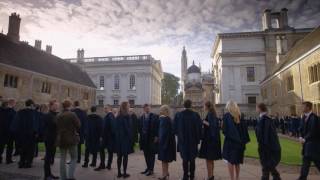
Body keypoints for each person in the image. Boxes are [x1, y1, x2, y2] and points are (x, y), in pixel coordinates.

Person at [174, 99, 202, 180]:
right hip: (193, 141)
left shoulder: (178, 115)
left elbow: (175, 128)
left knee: (185, 159)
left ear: (184, 105)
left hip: (183, 141)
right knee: (192, 159)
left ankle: (185, 176)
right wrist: (198, 138)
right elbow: (199, 128)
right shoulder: (196, 115)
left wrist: (179, 135)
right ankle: (192, 176)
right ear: (191, 105)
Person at [222, 100, 250, 180]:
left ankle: (232, 178)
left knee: (230, 162)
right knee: (237, 162)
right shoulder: (240, 116)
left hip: (230, 143)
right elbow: (245, 130)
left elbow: (224, 130)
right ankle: (237, 178)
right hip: (240, 143)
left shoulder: (227, 116)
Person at [255, 103, 281, 180]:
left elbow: (265, 135)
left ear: (259, 109)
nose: (256, 109)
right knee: (268, 166)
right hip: (267, 147)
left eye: (256, 107)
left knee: (266, 167)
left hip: (267, 147)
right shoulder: (264, 118)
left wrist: (264, 147)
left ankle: (275, 177)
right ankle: (277, 177)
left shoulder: (265, 119)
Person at [56, 100, 81, 180]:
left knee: (62, 158)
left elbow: (56, 125)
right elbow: (78, 125)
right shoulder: (72, 114)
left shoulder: (59, 115)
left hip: (61, 138)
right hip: (71, 138)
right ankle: (70, 176)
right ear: (69, 106)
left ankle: (63, 177)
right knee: (74, 157)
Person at [11, 99, 39, 168]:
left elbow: (15, 123)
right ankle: (28, 163)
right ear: (31, 105)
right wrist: (36, 132)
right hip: (30, 135)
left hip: (22, 134)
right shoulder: (33, 113)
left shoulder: (20, 112)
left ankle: (21, 162)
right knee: (30, 150)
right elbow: (35, 124)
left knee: (23, 149)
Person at [199, 101, 222, 180]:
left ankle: (209, 176)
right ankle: (211, 176)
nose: (203, 107)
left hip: (210, 141)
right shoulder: (213, 114)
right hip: (212, 140)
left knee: (208, 160)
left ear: (207, 106)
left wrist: (204, 122)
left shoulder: (210, 114)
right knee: (210, 160)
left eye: (204, 105)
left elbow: (212, 126)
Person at [298, 101, 320, 180]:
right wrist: (300, 136)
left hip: (313, 145)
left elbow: (313, 131)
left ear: (308, 107)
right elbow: (300, 128)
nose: (301, 108)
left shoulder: (314, 117)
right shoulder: (303, 117)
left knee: (315, 161)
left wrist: (305, 138)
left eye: (303, 106)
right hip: (307, 145)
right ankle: (302, 178)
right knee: (306, 163)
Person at [139, 104, 159, 176]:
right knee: (146, 154)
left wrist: (157, 136)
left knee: (151, 155)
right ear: (143, 109)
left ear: (150, 108)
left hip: (151, 138)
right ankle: (148, 168)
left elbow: (157, 127)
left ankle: (151, 170)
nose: (147, 109)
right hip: (144, 139)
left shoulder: (155, 116)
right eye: (146, 108)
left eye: (148, 108)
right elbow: (140, 128)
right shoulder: (141, 117)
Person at [114, 102, 134, 178]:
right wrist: (130, 137)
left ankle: (119, 173)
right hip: (125, 139)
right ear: (126, 107)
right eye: (128, 106)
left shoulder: (118, 116)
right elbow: (128, 129)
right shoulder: (127, 116)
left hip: (118, 139)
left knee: (119, 156)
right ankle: (124, 173)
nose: (129, 107)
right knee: (125, 156)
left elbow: (115, 128)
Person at [158, 105, 176, 180]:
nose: (160, 112)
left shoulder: (164, 120)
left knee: (164, 159)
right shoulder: (169, 119)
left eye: (161, 110)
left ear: (164, 111)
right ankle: (166, 173)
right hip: (168, 142)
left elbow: (163, 132)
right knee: (165, 159)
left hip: (164, 142)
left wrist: (160, 140)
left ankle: (164, 174)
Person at [43, 100, 60, 180]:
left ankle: (49, 174)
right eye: (55, 105)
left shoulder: (54, 115)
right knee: (48, 157)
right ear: (51, 106)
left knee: (50, 157)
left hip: (53, 138)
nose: (57, 106)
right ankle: (47, 175)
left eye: (57, 105)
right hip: (49, 138)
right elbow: (54, 125)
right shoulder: (49, 115)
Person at [95, 105, 115, 171]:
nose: (104, 109)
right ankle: (105, 165)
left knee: (108, 150)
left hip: (107, 137)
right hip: (107, 137)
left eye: (106, 108)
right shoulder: (108, 116)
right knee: (106, 150)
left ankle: (106, 165)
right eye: (104, 108)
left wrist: (104, 136)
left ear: (110, 108)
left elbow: (112, 127)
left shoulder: (110, 115)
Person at [0, 99, 16, 164]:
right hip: (9, 132)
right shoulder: (12, 112)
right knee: (9, 146)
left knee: (1, 145)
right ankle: (8, 160)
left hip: (1, 131)